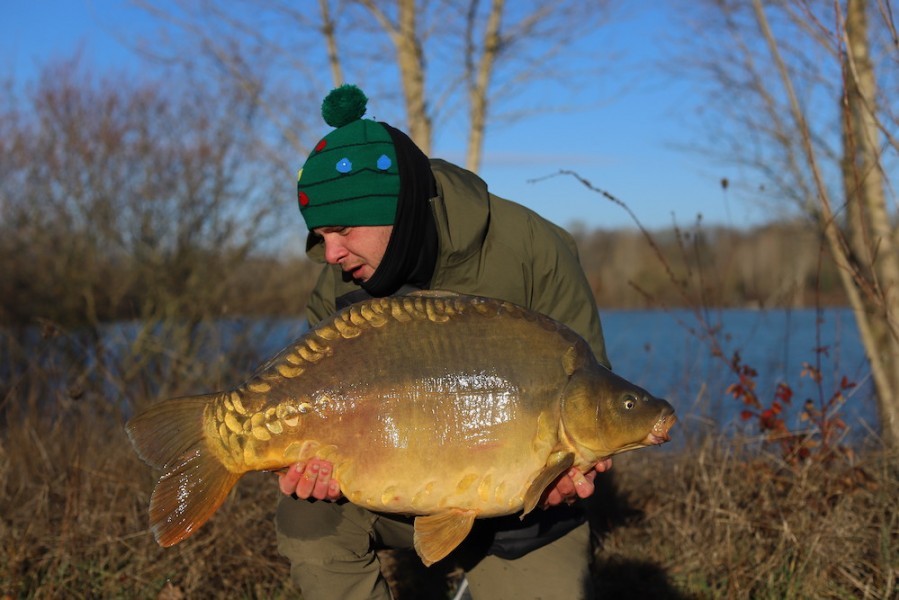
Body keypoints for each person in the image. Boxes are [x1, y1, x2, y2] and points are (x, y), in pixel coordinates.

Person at [275, 84, 613, 600]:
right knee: (306, 514)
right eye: (321, 237)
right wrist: (312, 464)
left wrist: (569, 473)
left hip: (524, 511)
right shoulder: (339, 282)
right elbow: (317, 400)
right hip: (392, 487)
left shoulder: (533, 248)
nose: (331, 254)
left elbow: (595, 396)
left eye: (342, 230)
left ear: (398, 208)